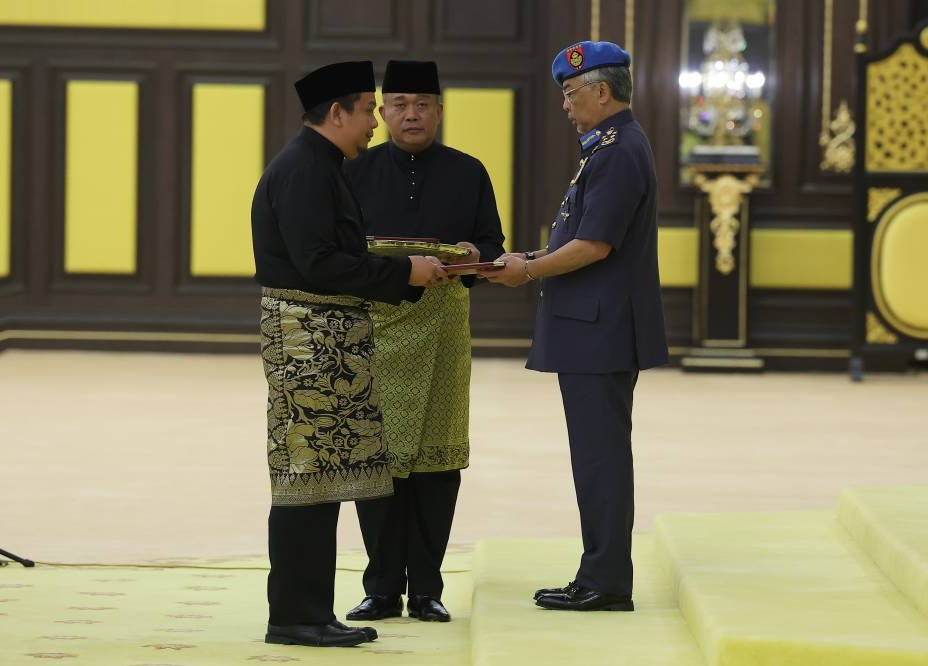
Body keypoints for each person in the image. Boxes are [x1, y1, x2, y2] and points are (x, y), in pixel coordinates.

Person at [250, 60, 449, 647]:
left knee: (324, 481)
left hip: (328, 342)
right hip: (309, 343)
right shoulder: (306, 170)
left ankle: (310, 609)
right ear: (336, 113)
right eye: (368, 111)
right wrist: (403, 270)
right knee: (306, 481)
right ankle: (294, 616)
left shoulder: (322, 164)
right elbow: (320, 264)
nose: (375, 123)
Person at [485, 41, 669, 612]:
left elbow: (595, 244)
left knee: (600, 460)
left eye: (571, 93)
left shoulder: (617, 151)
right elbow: (580, 236)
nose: (566, 105)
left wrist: (529, 270)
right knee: (596, 457)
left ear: (601, 91)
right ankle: (600, 573)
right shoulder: (609, 147)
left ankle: (606, 582)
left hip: (599, 329)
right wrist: (531, 256)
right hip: (594, 325)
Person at [342, 60, 505, 623]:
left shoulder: (469, 171)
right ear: (383, 112)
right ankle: (382, 587)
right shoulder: (354, 171)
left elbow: (491, 244)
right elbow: (339, 250)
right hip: (375, 328)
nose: (412, 115)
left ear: (439, 110)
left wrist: (464, 253)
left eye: (424, 104)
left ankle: (428, 587)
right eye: (400, 104)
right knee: (378, 457)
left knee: (437, 462)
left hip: (442, 328)